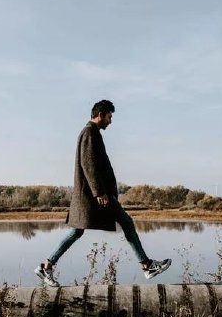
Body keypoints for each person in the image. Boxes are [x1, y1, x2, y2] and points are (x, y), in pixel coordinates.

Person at [35, 100, 172, 287]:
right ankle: (147, 266)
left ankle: (46, 266)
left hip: (92, 195)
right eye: (109, 116)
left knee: (77, 231)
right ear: (99, 115)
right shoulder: (89, 132)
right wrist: (99, 192)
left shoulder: (93, 132)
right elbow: (88, 165)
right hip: (95, 195)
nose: (110, 121)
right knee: (125, 222)